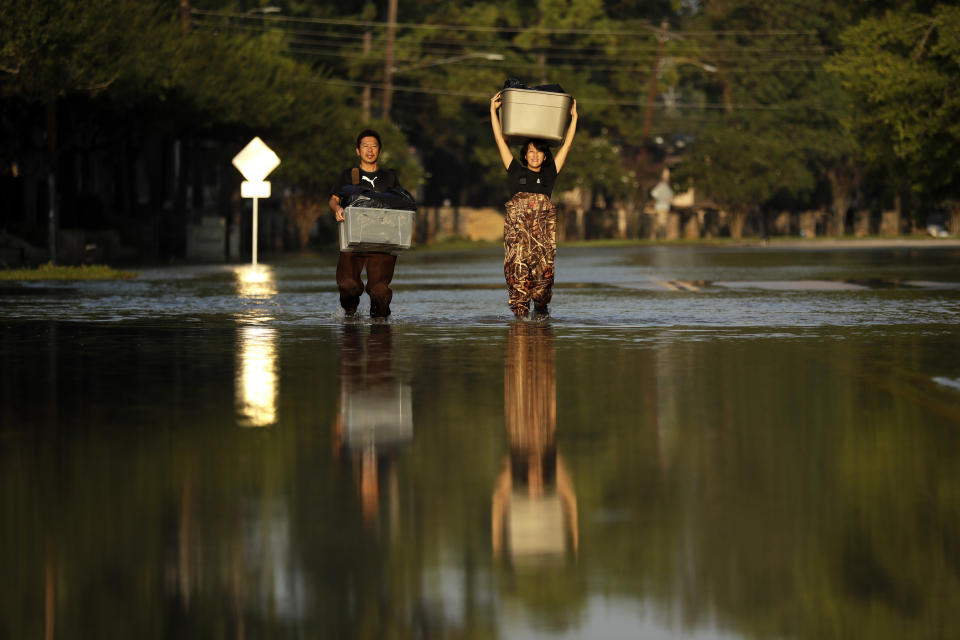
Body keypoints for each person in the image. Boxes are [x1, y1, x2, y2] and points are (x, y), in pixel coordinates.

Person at [490, 91, 578, 318]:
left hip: (542, 242)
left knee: (542, 285)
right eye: (531, 151)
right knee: (518, 282)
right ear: (525, 155)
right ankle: (519, 328)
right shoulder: (515, 171)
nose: (535, 155)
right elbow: (500, 140)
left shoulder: (550, 174)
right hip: (517, 240)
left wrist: (573, 118)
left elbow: (567, 145)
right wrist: (493, 111)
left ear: (545, 156)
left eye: (539, 151)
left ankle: (541, 316)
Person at [328, 129, 404, 318]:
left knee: (379, 291)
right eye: (365, 146)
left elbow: (402, 203)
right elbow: (333, 199)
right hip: (352, 240)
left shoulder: (390, 177)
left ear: (380, 150)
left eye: (374, 146)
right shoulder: (348, 175)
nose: (370, 150)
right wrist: (337, 208)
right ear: (357, 151)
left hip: (382, 242)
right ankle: (350, 318)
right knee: (348, 286)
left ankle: (380, 328)